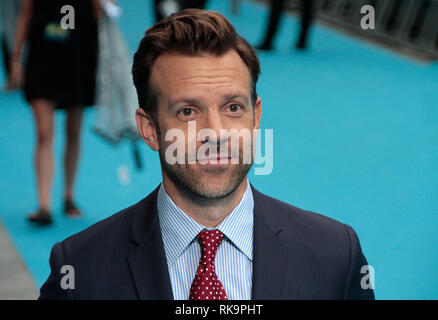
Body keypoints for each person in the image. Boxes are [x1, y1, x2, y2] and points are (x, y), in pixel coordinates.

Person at [38, 9, 374, 300]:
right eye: (187, 111)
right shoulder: (79, 272)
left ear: (255, 117)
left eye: (232, 107)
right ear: (149, 129)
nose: (215, 133)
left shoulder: (335, 256)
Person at [8, 0, 99, 225]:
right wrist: (16, 58)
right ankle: (44, 205)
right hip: (43, 57)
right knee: (43, 132)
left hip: (79, 56)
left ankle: (68, 196)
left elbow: (99, 12)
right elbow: (25, 13)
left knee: (73, 130)